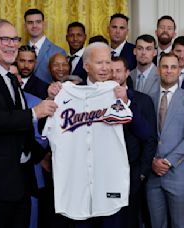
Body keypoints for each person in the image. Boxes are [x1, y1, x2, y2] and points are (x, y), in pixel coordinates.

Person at [0, 19, 57, 227]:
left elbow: (19, 129)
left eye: (14, 39)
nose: (12, 44)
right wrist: (34, 112)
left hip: (18, 182)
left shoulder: (10, 77)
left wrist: (42, 155)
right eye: (5, 39)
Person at [44, 42, 132, 228]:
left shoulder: (118, 93)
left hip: (109, 180)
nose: (105, 68)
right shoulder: (64, 94)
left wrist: (124, 101)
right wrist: (53, 99)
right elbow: (47, 133)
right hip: (76, 185)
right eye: (100, 63)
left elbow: (143, 132)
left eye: (108, 62)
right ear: (86, 66)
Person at [146, 53, 184, 228]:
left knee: (181, 224)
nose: (169, 71)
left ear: (179, 71)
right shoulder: (148, 98)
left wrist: (168, 161)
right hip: (152, 174)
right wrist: (152, 161)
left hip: (179, 174)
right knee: (157, 224)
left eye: (173, 67)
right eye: (165, 66)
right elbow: (145, 136)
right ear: (158, 70)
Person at [111, 57, 157, 228]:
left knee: (131, 219)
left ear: (127, 73)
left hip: (133, 171)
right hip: (107, 173)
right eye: (111, 70)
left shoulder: (142, 100)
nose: (114, 75)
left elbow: (150, 138)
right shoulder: (98, 100)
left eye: (118, 70)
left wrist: (142, 173)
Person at [24, 8, 66, 83]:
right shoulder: (19, 51)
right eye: (30, 22)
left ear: (44, 24)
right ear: (25, 26)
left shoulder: (58, 52)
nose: (34, 26)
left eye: (38, 22)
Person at [130, 34, 160, 98]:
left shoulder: (161, 76)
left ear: (155, 52)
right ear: (134, 51)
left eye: (148, 49)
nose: (143, 53)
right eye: (140, 48)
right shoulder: (128, 76)